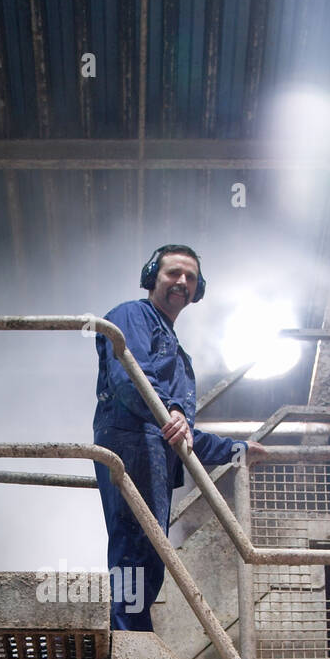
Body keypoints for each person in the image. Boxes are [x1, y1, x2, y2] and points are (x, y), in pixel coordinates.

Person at [93, 244, 267, 630]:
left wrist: (237, 451)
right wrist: (171, 408)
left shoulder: (179, 354)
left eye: (190, 277)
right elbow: (130, 377)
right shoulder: (132, 315)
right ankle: (128, 636)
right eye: (173, 273)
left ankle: (133, 630)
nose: (182, 282)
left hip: (154, 449)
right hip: (130, 440)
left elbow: (182, 435)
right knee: (137, 543)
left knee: (150, 549)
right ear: (153, 276)